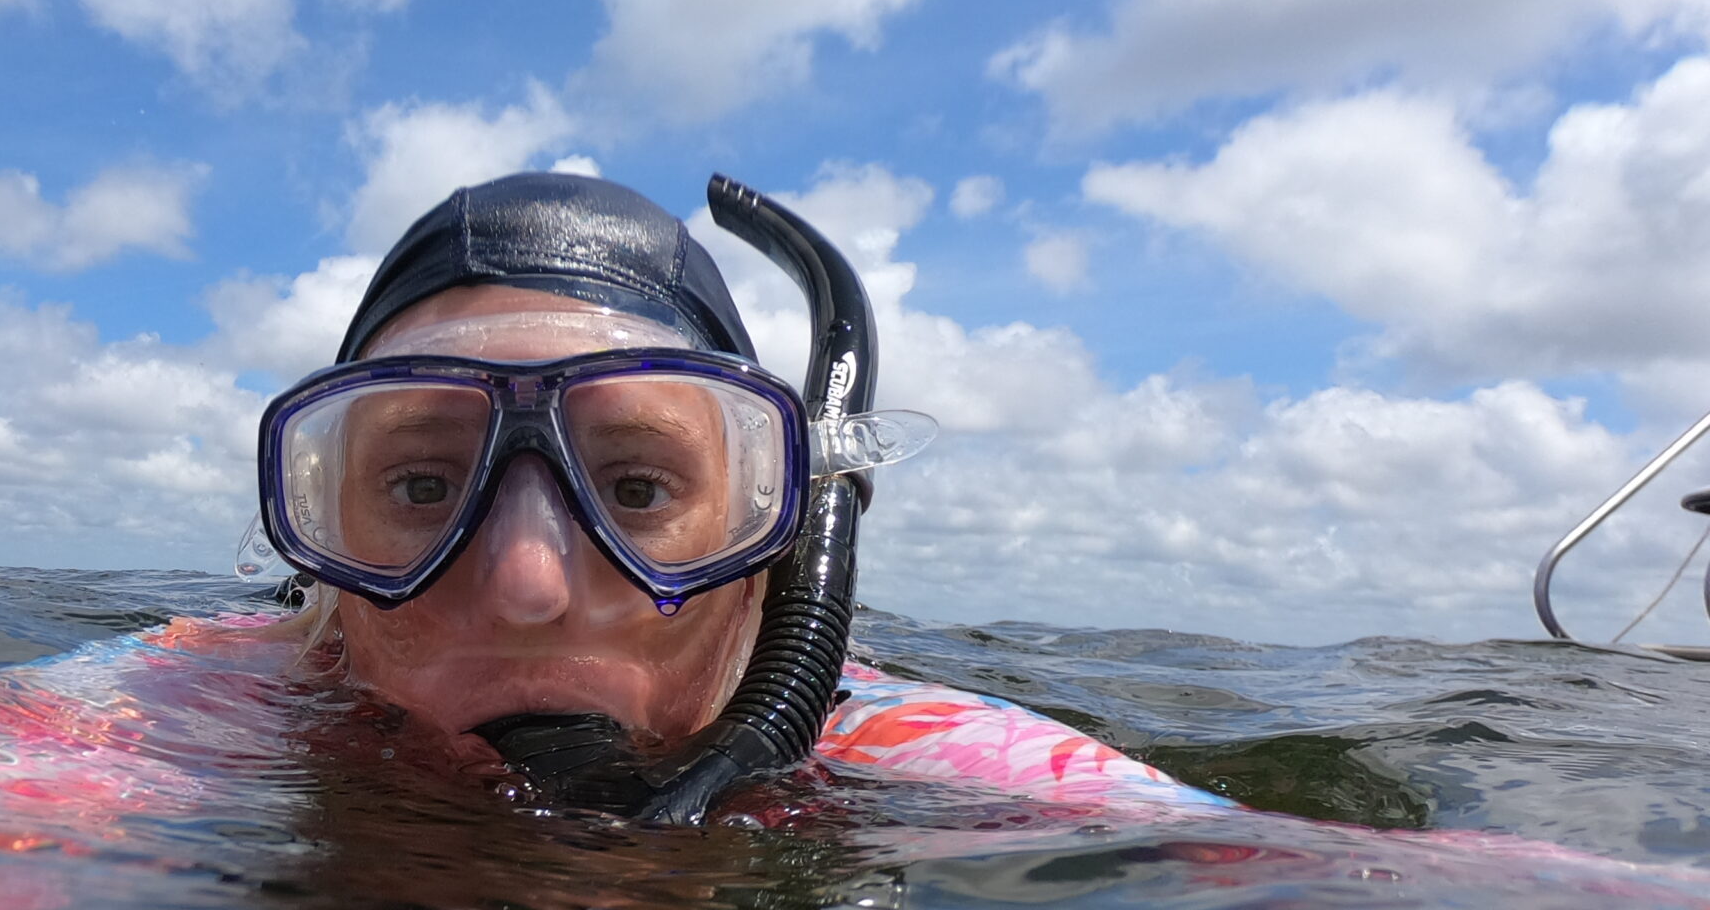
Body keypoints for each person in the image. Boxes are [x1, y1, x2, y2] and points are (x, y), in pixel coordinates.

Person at [251, 169, 1220, 818]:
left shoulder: (946, 768)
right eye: (422, 484)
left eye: (636, 487)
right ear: (319, 524)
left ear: (777, 527)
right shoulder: (195, 701)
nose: (527, 587)